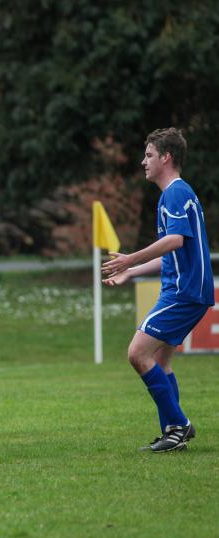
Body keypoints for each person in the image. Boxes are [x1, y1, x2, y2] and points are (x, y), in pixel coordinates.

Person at [102, 127, 214, 452]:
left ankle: (178, 424)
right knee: (160, 362)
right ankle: (173, 432)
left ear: (166, 157)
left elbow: (174, 241)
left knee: (137, 353)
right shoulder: (178, 194)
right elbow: (174, 254)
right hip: (187, 289)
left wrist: (130, 258)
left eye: (149, 155)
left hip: (182, 292)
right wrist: (132, 271)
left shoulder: (175, 193)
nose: (143, 162)